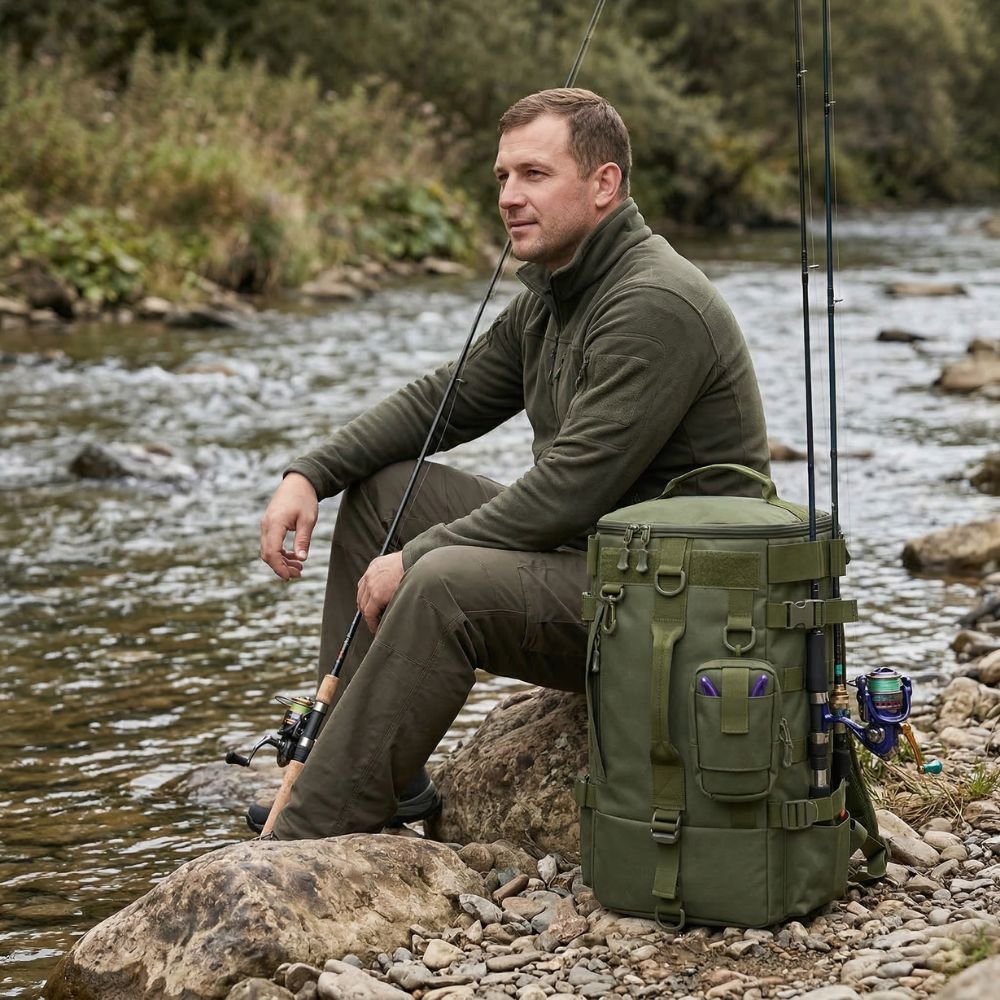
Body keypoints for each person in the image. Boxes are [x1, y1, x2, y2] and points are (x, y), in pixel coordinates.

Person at [253, 87, 770, 840]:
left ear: (603, 185)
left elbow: (565, 492)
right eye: (502, 177)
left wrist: (419, 556)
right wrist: (311, 473)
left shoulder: (653, 303)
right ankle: (366, 766)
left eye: (534, 174)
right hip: (607, 563)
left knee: (441, 580)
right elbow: (443, 402)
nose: (509, 197)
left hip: (681, 607)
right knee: (385, 494)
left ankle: (316, 828)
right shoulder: (554, 292)